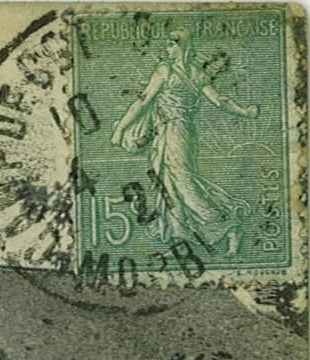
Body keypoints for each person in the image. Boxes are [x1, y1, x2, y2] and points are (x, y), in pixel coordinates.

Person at [109, 28, 258, 252]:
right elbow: (220, 100)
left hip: (174, 133)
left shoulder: (165, 71)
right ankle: (179, 239)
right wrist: (244, 112)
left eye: (171, 44)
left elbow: (142, 102)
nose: (167, 48)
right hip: (179, 132)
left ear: (181, 46)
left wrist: (120, 128)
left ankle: (227, 225)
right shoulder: (197, 73)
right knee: (169, 184)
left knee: (182, 182)